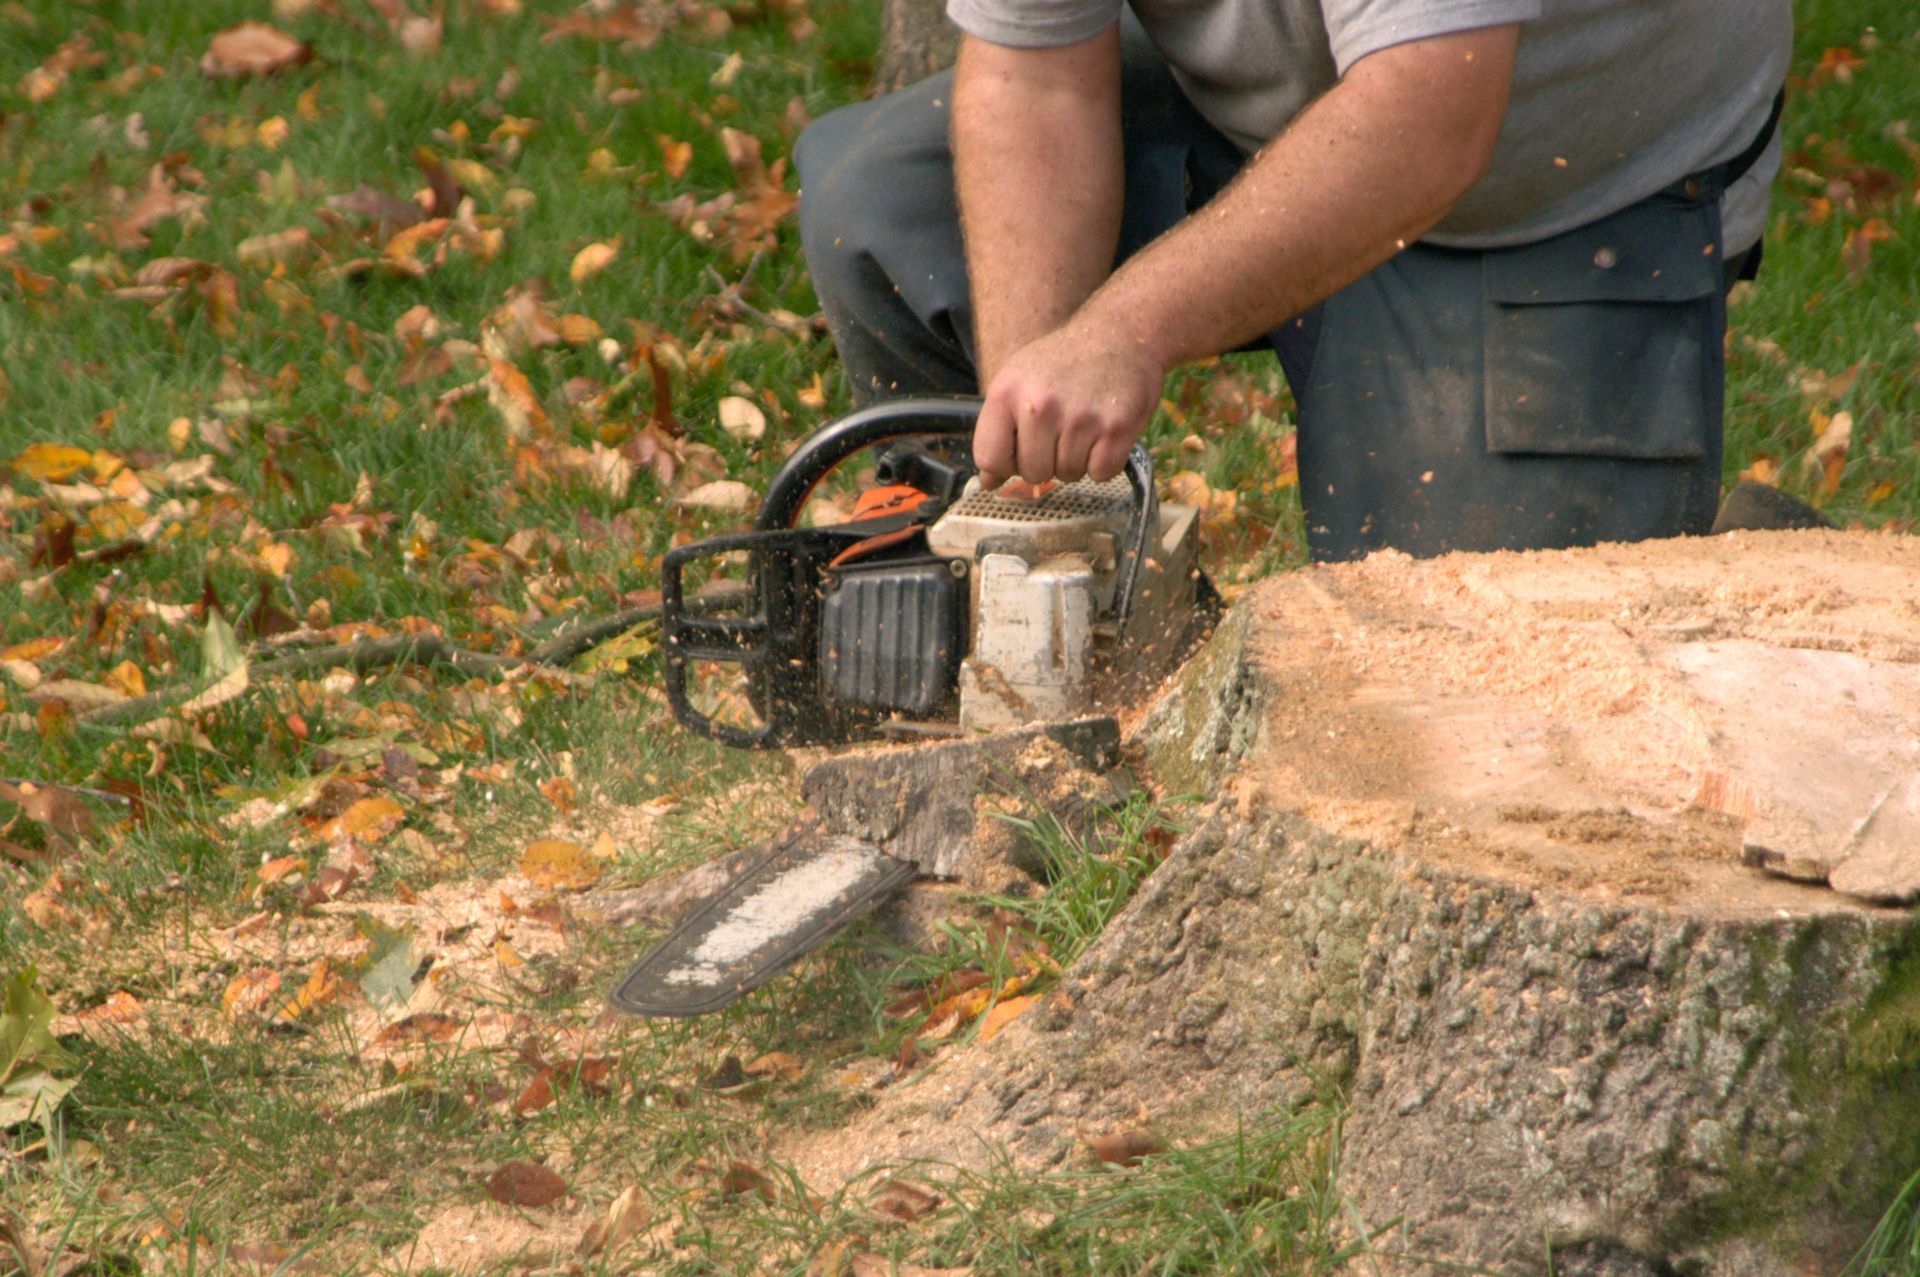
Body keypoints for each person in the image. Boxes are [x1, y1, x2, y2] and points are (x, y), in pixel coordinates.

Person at [792, 2, 1790, 561]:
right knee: (883, 194)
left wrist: (1130, 326)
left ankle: (1759, 579)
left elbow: (1428, 120)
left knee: (1464, 686)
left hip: (1552, 175)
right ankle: (989, 589)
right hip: (1284, 92)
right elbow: (1031, 77)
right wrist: (1033, 462)